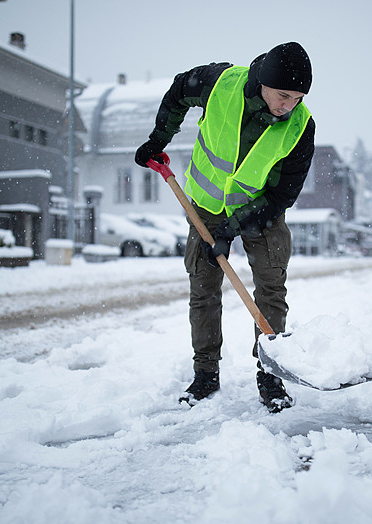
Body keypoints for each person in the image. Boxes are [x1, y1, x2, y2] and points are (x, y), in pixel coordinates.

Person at [134, 42, 315, 413]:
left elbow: (282, 195)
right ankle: (205, 374)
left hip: (259, 210)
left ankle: (270, 375)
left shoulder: (301, 127)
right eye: (283, 96)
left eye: (296, 98)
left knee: (270, 289)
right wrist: (158, 139)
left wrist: (231, 230)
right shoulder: (220, 83)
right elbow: (180, 90)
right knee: (203, 288)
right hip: (205, 206)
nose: (288, 106)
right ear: (263, 82)